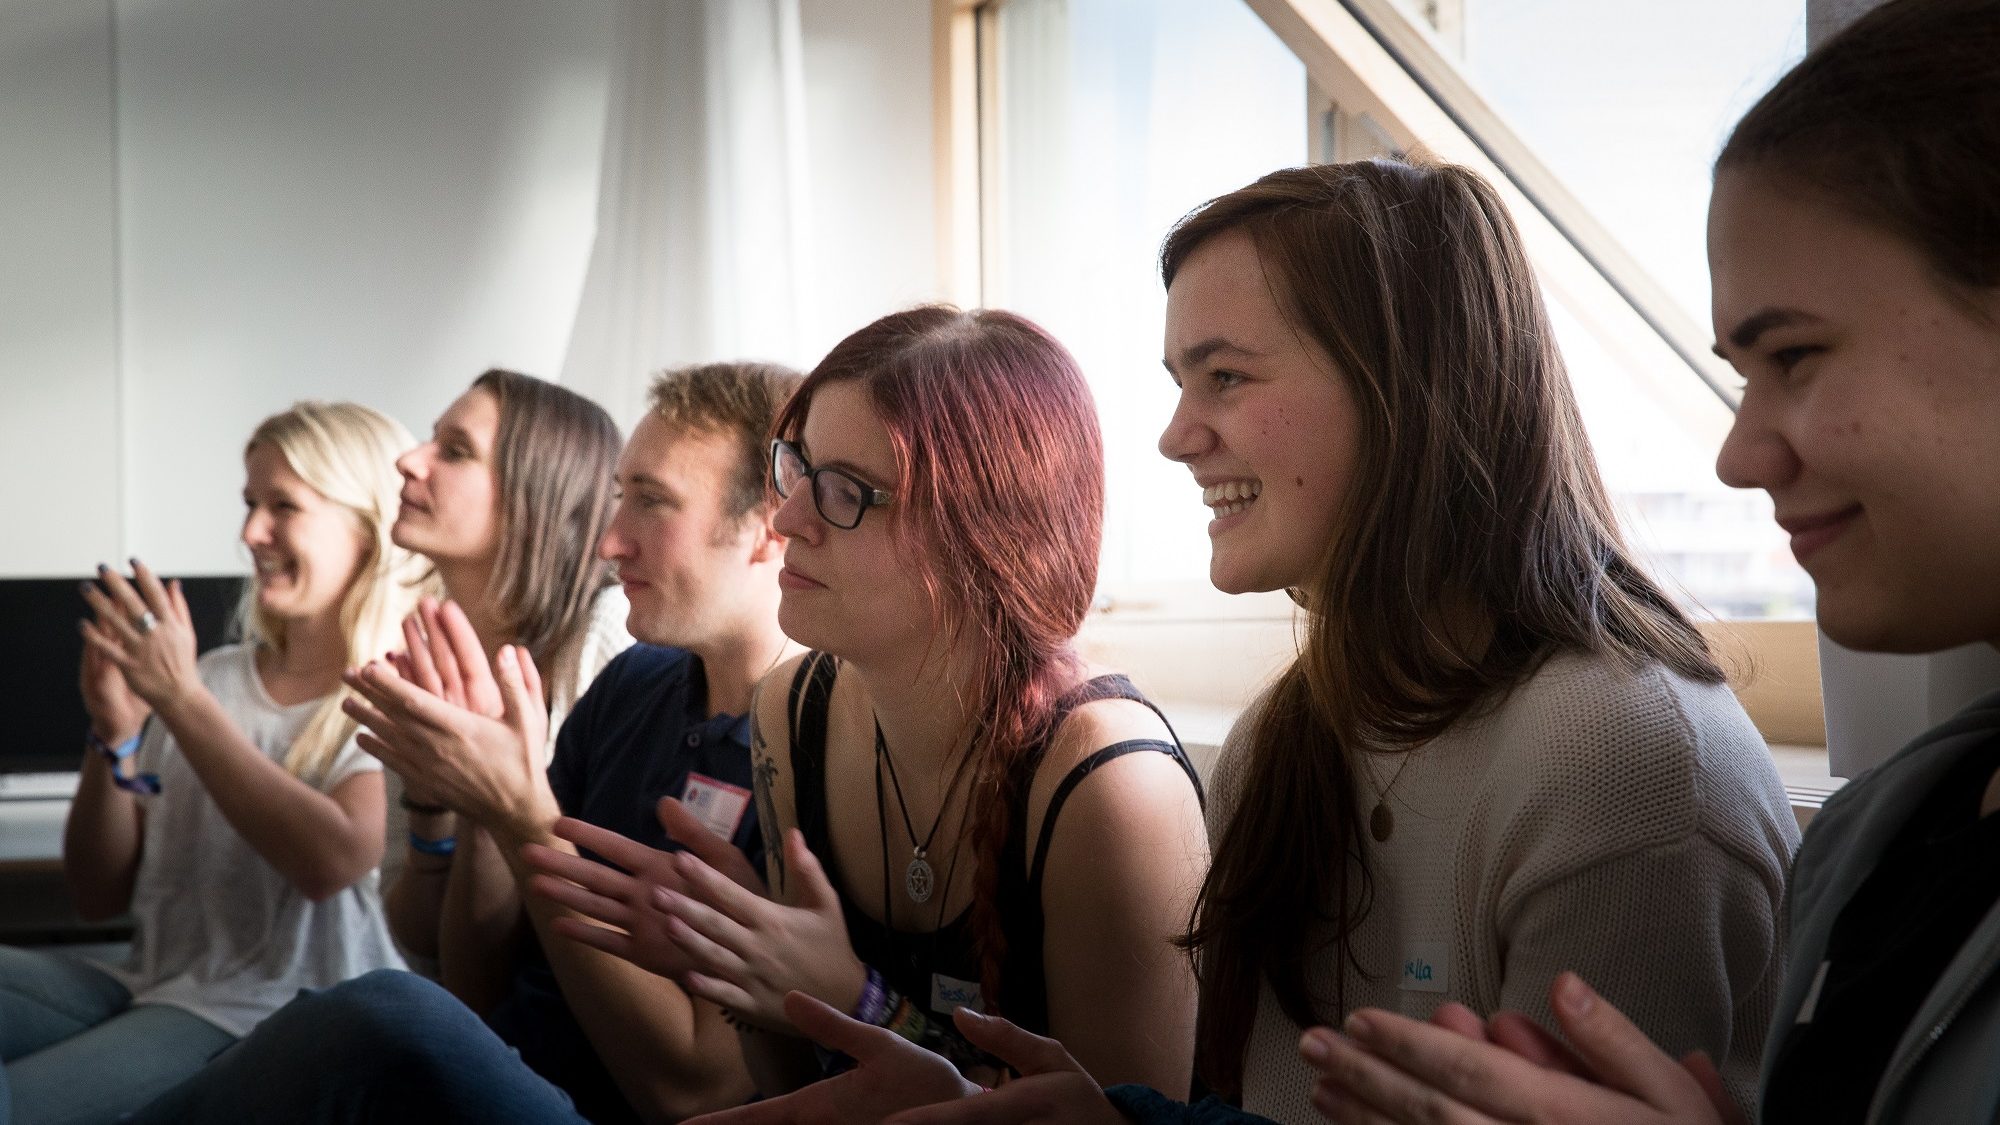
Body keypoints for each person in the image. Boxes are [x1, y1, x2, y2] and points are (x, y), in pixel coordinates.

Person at [680, 161, 1805, 1125]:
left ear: (1402, 390)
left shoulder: (1620, 763)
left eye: (1224, 376)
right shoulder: (1290, 731)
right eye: (1178, 384)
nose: (1175, 436)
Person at [1298, 2, 2000, 1123]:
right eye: (1738, 374)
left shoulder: (1623, 748)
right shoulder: (1883, 838)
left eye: (1796, 355)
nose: (1737, 455)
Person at [529, 306, 1210, 1115]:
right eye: (797, 467)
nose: (786, 520)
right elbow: (787, 1079)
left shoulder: (1110, 787)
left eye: (845, 491)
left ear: (979, 532)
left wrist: (858, 999)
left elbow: (1112, 1123)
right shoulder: (791, 709)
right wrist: (745, 968)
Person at [130, 361, 804, 1125]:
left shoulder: (801, 739)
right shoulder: (634, 689)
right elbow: (473, 987)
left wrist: (518, 811)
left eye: (650, 500)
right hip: (512, 1065)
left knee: (380, 1012)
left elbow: (688, 1089)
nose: (612, 539)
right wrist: (475, 810)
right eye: (620, 497)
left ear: (769, 528)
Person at [0, 402, 431, 1125]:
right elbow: (97, 891)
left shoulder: (395, 689)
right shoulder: (217, 675)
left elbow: (331, 857)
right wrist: (115, 731)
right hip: (154, 985)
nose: (250, 533)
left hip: (273, 1015)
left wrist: (178, 697)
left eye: (283, 506)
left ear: (368, 525)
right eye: (250, 504)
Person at [378, 367, 633, 1003]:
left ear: (534, 496)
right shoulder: (432, 647)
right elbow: (418, 944)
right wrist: (431, 810)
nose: (410, 461)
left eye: (454, 450)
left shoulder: (605, 642)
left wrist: (492, 800)